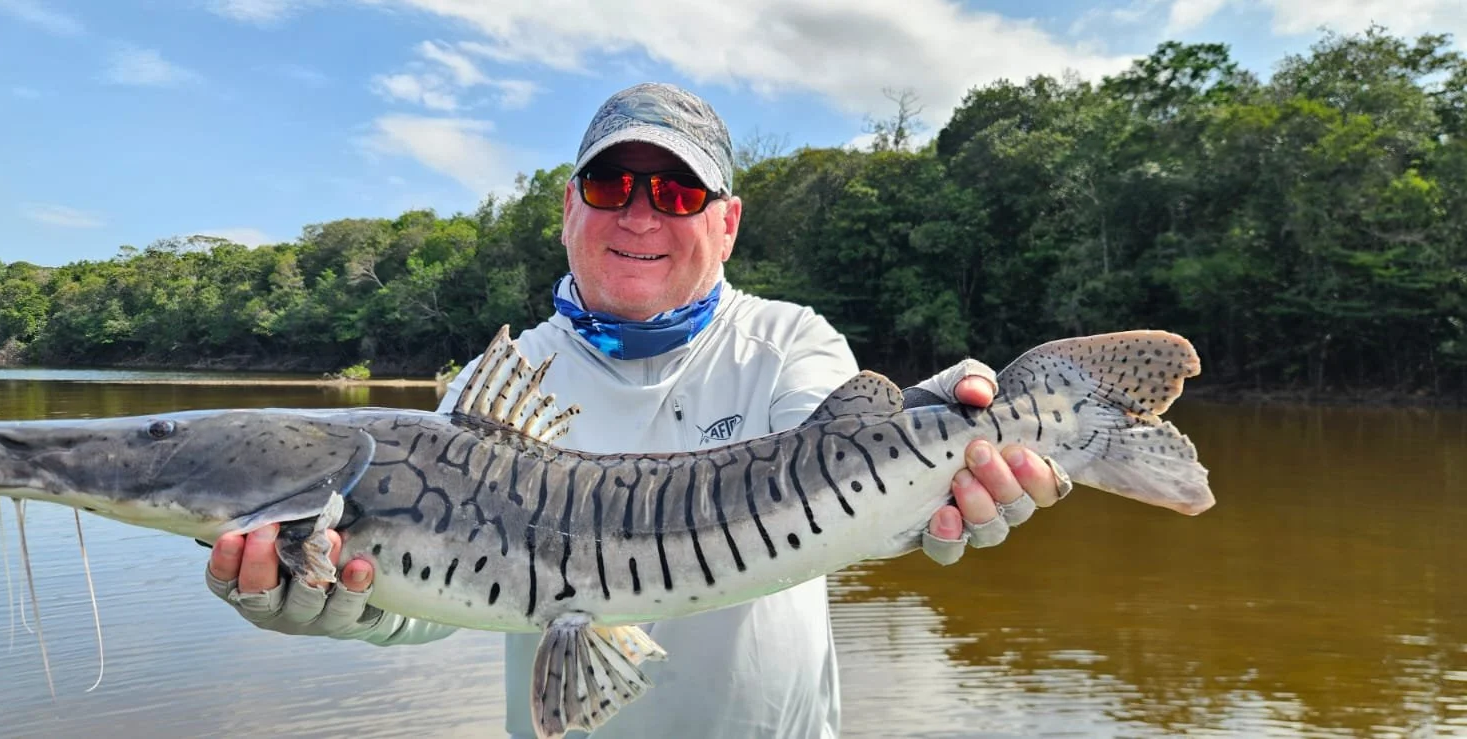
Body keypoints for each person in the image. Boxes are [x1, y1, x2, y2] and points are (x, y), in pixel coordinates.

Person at [204, 82, 1069, 738]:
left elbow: (849, 484)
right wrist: (332, 601)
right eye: (613, 183)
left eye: (679, 193)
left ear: (726, 224)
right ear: (569, 208)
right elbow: (435, 599)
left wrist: (946, 462)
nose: (642, 212)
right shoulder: (497, 379)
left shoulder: (788, 344)